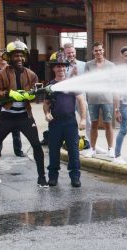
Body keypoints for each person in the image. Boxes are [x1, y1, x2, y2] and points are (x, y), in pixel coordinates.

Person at [0, 40, 48, 187]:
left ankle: (41, 178)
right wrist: (9, 94)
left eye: (21, 56)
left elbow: (37, 93)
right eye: (16, 56)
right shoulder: (0, 74)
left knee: (36, 146)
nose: (19, 59)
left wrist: (32, 96)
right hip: (6, 117)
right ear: (9, 57)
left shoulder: (31, 74)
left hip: (24, 117)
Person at [43, 52, 86, 187]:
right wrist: (46, 114)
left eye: (62, 66)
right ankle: (53, 177)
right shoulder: (50, 86)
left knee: (73, 150)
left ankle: (75, 177)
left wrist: (83, 119)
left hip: (70, 122)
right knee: (54, 150)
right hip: (55, 123)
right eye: (57, 66)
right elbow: (46, 104)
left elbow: (81, 101)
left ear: (65, 68)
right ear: (53, 68)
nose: (60, 69)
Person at [83, 42, 116, 158]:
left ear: (103, 51)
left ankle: (111, 149)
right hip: (92, 99)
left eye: (100, 50)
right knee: (94, 124)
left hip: (107, 99)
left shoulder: (111, 65)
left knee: (108, 124)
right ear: (93, 52)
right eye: (96, 50)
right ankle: (92, 149)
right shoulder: (88, 65)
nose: (98, 52)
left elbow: (113, 81)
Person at [0, 48, 25, 157]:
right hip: (0, 105)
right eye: (0, 57)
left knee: (16, 129)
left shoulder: (15, 71)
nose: (2, 59)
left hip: (14, 105)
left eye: (3, 57)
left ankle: (18, 151)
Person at [63, 43, 92, 149]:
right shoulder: (62, 65)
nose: (70, 54)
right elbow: (61, 83)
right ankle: (71, 143)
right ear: (65, 53)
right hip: (67, 99)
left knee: (88, 121)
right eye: (68, 53)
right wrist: (71, 76)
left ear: (75, 52)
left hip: (81, 98)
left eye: (72, 52)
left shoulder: (83, 65)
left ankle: (91, 144)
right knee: (70, 122)